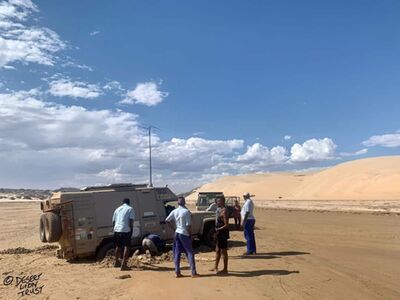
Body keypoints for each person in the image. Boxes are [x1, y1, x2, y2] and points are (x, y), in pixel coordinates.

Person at [165, 197, 199, 278]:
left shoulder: (175, 211)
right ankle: (193, 272)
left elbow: (167, 220)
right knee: (190, 252)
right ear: (184, 203)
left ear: (178, 203)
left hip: (177, 232)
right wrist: (190, 235)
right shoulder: (186, 211)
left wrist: (174, 228)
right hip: (184, 233)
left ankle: (177, 272)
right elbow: (188, 226)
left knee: (177, 252)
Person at [112, 198, 134, 270]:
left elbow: (113, 221)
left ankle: (116, 262)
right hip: (125, 230)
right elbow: (131, 221)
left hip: (117, 229)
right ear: (129, 203)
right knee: (127, 246)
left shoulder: (117, 209)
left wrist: (115, 229)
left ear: (122, 202)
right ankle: (123, 264)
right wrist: (131, 230)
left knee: (118, 246)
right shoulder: (130, 209)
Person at [212, 196, 229, 275]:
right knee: (217, 250)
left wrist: (218, 229)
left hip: (223, 233)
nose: (217, 202)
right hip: (218, 233)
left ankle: (225, 269)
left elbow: (226, 225)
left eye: (218, 201)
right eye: (216, 201)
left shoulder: (224, 211)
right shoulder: (218, 209)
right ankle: (215, 267)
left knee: (223, 251)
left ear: (223, 202)